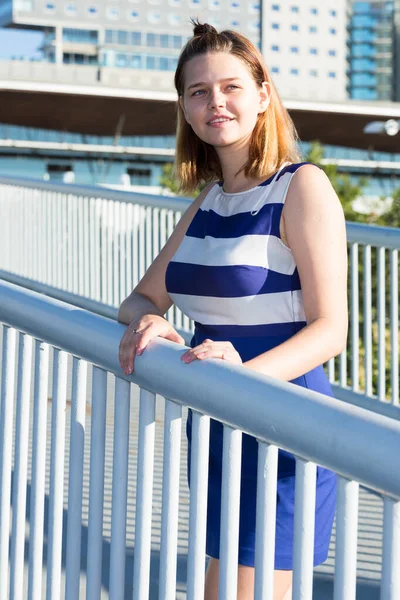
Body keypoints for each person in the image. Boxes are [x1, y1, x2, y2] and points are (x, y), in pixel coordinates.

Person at [118, 19, 348, 600]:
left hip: (282, 422)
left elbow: (331, 329)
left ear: (263, 94)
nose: (214, 102)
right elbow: (141, 296)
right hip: (218, 424)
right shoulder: (210, 203)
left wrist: (241, 377)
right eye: (198, 92)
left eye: (231, 87)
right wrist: (152, 320)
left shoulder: (302, 187)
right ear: (185, 109)